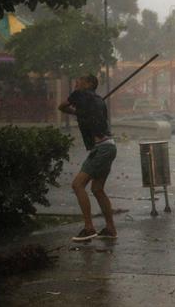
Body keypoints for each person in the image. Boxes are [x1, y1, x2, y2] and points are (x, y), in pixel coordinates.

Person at [58, 75, 117, 242]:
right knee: (97, 189)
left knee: (77, 185)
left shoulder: (80, 95)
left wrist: (75, 110)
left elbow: (61, 106)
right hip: (109, 146)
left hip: (101, 149)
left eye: (80, 81)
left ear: (90, 84)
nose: (76, 82)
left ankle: (89, 227)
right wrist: (81, 112)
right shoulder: (98, 101)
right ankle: (110, 228)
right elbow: (95, 119)